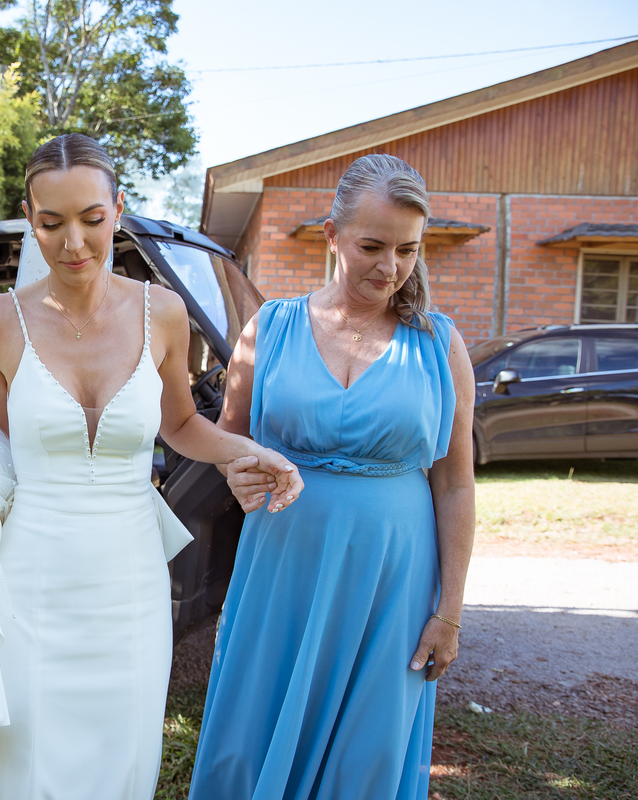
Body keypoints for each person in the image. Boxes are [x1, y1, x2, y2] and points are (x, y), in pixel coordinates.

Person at [0, 133, 305, 799]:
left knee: (122, 756)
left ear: (117, 209)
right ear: (29, 219)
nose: (74, 244)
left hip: (131, 583)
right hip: (31, 580)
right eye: (51, 224)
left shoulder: (163, 313)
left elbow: (181, 425)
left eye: (92, 219)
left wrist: (250, 450)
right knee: (24, 760)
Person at [187, 154, 476, 800]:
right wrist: (239, 471)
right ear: (332, 236)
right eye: (373, 246)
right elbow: (228, 441)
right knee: (253, 733)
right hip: (281, 566)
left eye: (407, 250)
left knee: (366, 752)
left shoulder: (440, 344)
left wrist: (450, 613)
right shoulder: (271, 328)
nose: (391, 267)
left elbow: (456, 484)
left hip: (392, 583)